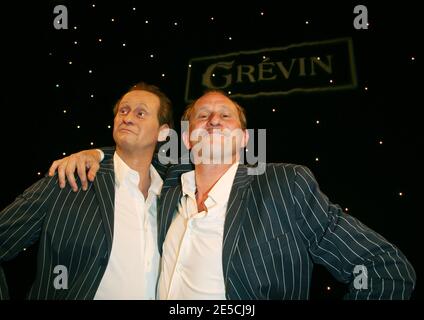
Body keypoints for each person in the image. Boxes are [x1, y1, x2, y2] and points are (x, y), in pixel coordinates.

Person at [48, 90, 416, 299]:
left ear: (243, 140)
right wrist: (98, 154)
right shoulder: (168, 194)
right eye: (202, 116)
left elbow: (384, 268)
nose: (212, 120)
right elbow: (136, 155)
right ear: (188, 138)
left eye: (225, 116)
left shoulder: (283, 185)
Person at [0, 81, 173, 299]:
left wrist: (97, 153)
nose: (127, 118)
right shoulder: (69, 177)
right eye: (123, 111)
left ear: (163, 132)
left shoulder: (174, 195)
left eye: (140, 113)